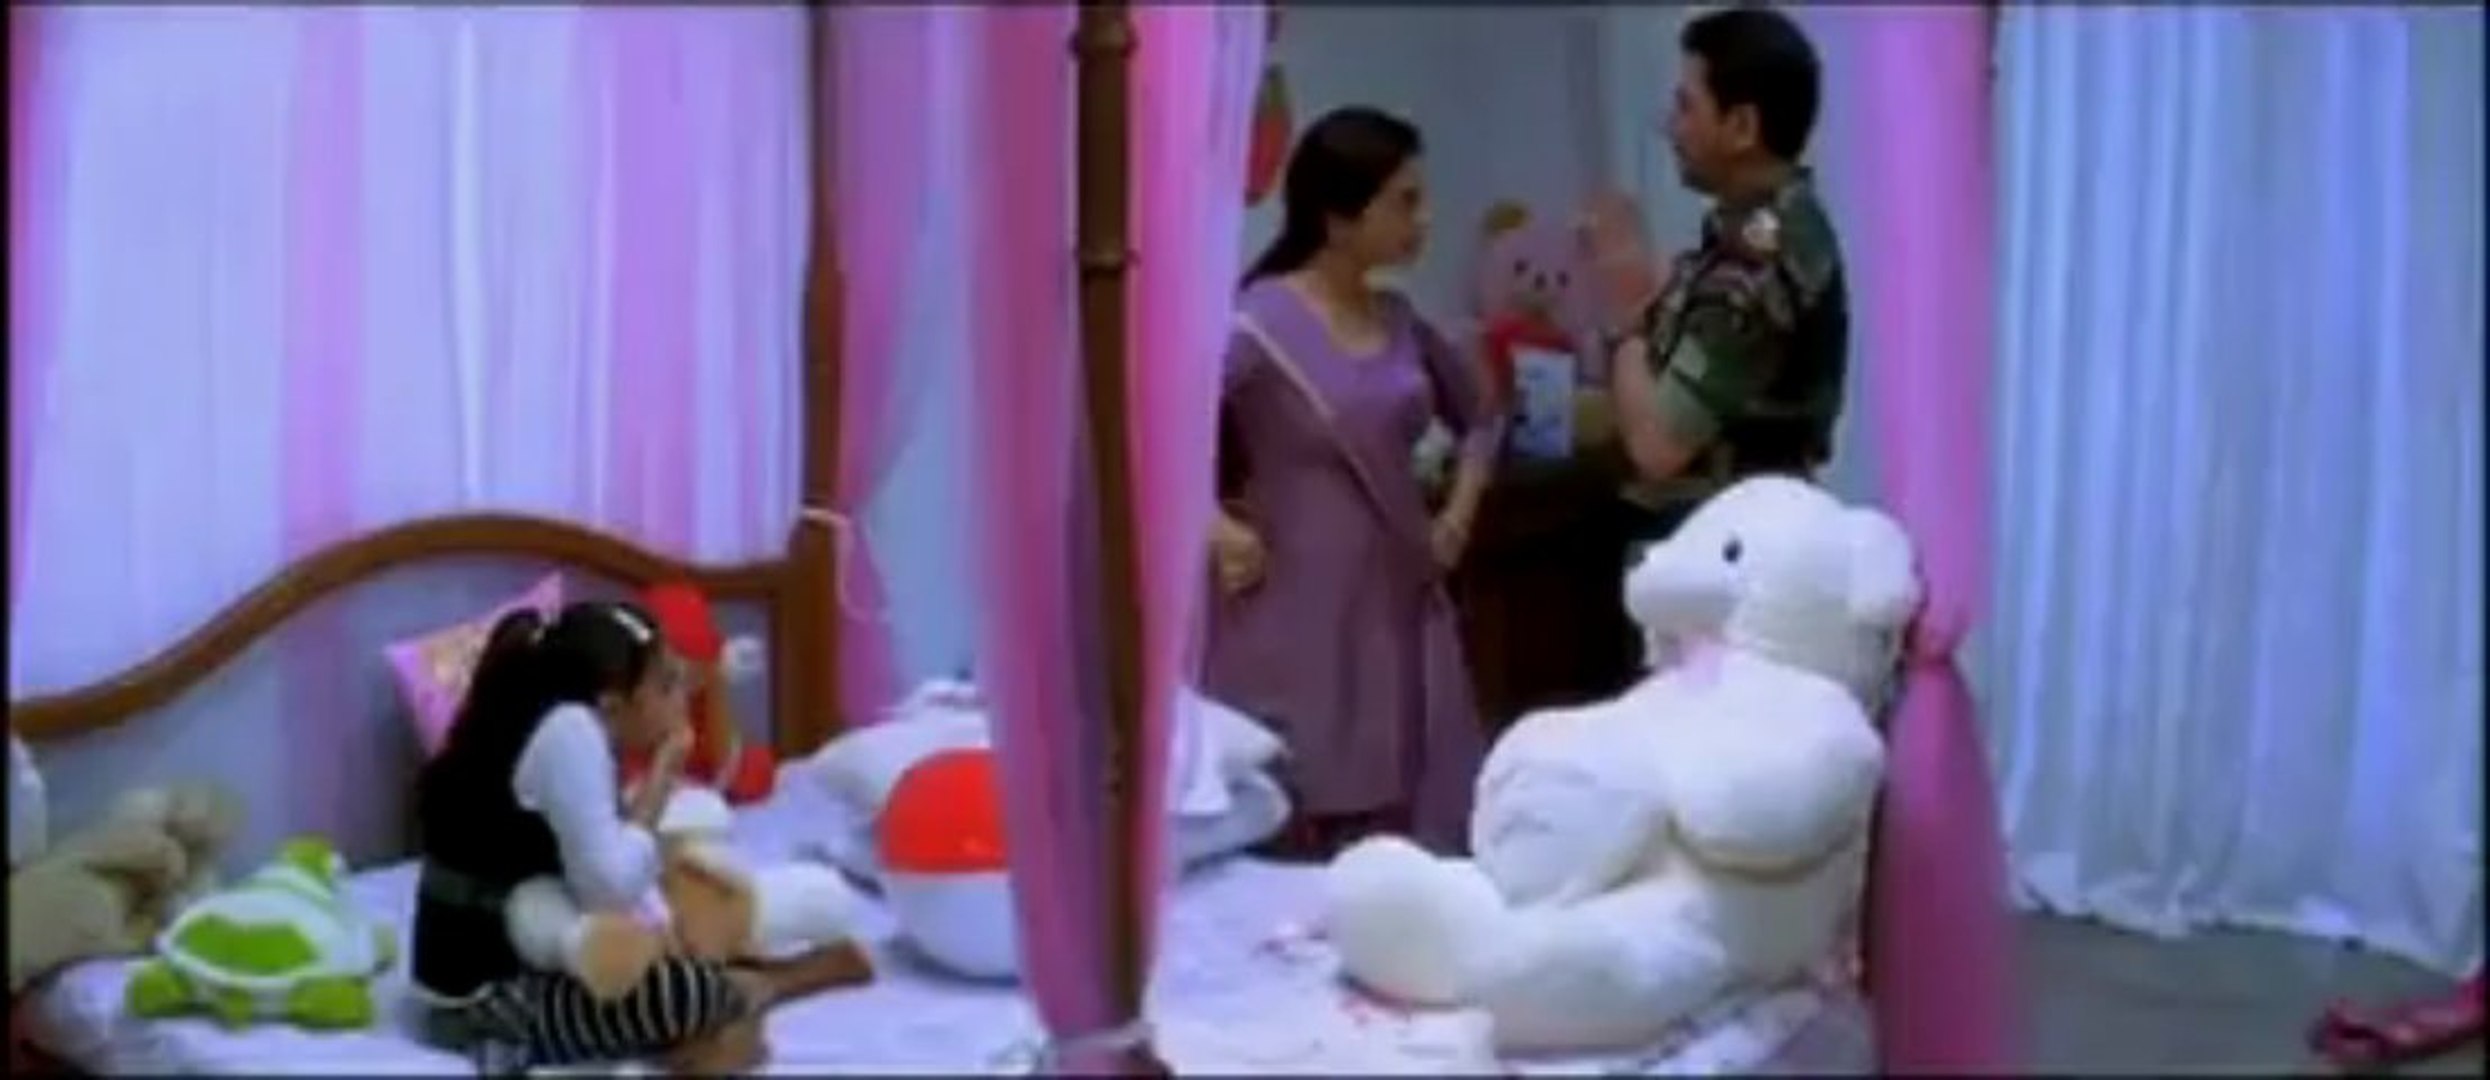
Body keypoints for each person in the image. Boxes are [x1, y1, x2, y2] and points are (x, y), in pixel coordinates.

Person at [1209, 106, 1498, 861]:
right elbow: (1156, 434)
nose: (1424, 219)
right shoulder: (1257, 325)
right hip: (1296, 612)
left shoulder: (1401, 322)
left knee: (1407, 822)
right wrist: (1215, 526)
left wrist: (1456, 519)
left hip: (1399, 600)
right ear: (1339, 218)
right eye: (1405, 201)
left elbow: (1482, 418)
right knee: (1304, 813)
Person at [408, 601, 771, 1075]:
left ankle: (737, 1012)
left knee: (704, 939)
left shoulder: (557, 714)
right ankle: (734, 1018)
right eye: (665, 686)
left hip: (500, 962)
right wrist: (663, 773)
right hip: (486, 1000)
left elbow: (603, 857)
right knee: (695, 992)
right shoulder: (571, 734)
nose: (680, 700)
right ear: (613, 704)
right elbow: (609, 888)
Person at [1608, 3, 1849, 544]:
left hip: (1730, 557)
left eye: (1687, 107)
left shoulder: (1754, 263)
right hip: (1746, 544)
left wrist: (1627, 323)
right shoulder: (1773, 227)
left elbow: (1657, 447)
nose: (1672, 128)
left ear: (1741, 127)